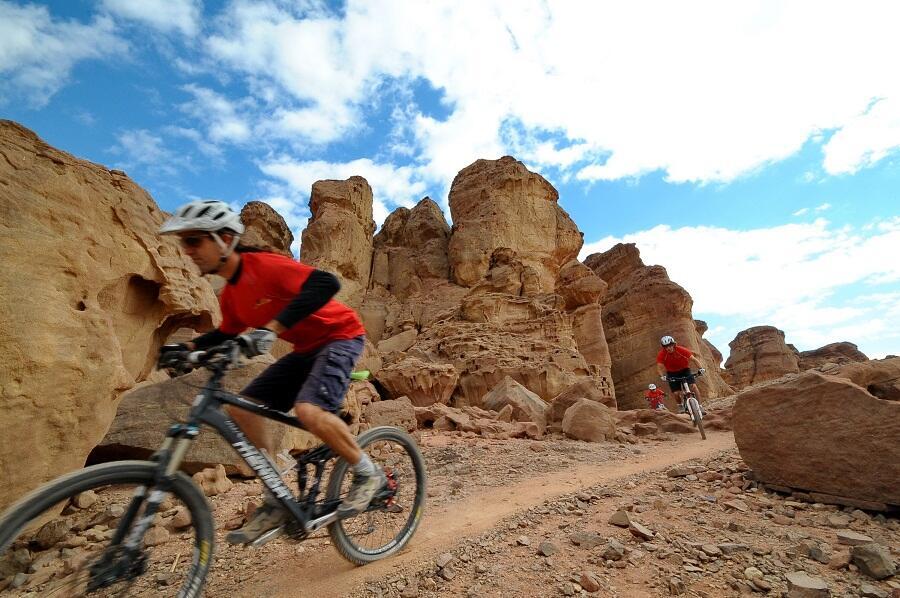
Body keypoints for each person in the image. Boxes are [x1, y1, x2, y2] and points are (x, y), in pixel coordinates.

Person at [157, 199, 382, 545]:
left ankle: (369, 475)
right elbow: (227, 333)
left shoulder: (263, 266)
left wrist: (271, 329)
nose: (187, 251)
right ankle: (276, 494)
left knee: (309, 410)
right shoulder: (231, 295)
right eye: (184, 243)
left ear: (225, 239)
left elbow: (325, 284)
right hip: (305, 349)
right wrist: (187, 348)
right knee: (241, 409)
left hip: (340, 336)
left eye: (193, 241)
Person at [656, 335, 705, 413]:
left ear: (673, 344)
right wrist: (662, 376)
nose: (668, 348)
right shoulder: (662, 354)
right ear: (664, 347)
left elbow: (694, 359)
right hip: (672, 373)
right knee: (676, 393)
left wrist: (701, 368)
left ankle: (700, 406)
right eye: (666, 346)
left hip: (685, 370)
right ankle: (680, 405)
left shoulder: (681, 350)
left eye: (670, 345)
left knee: (693, 386)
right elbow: (659, 367)